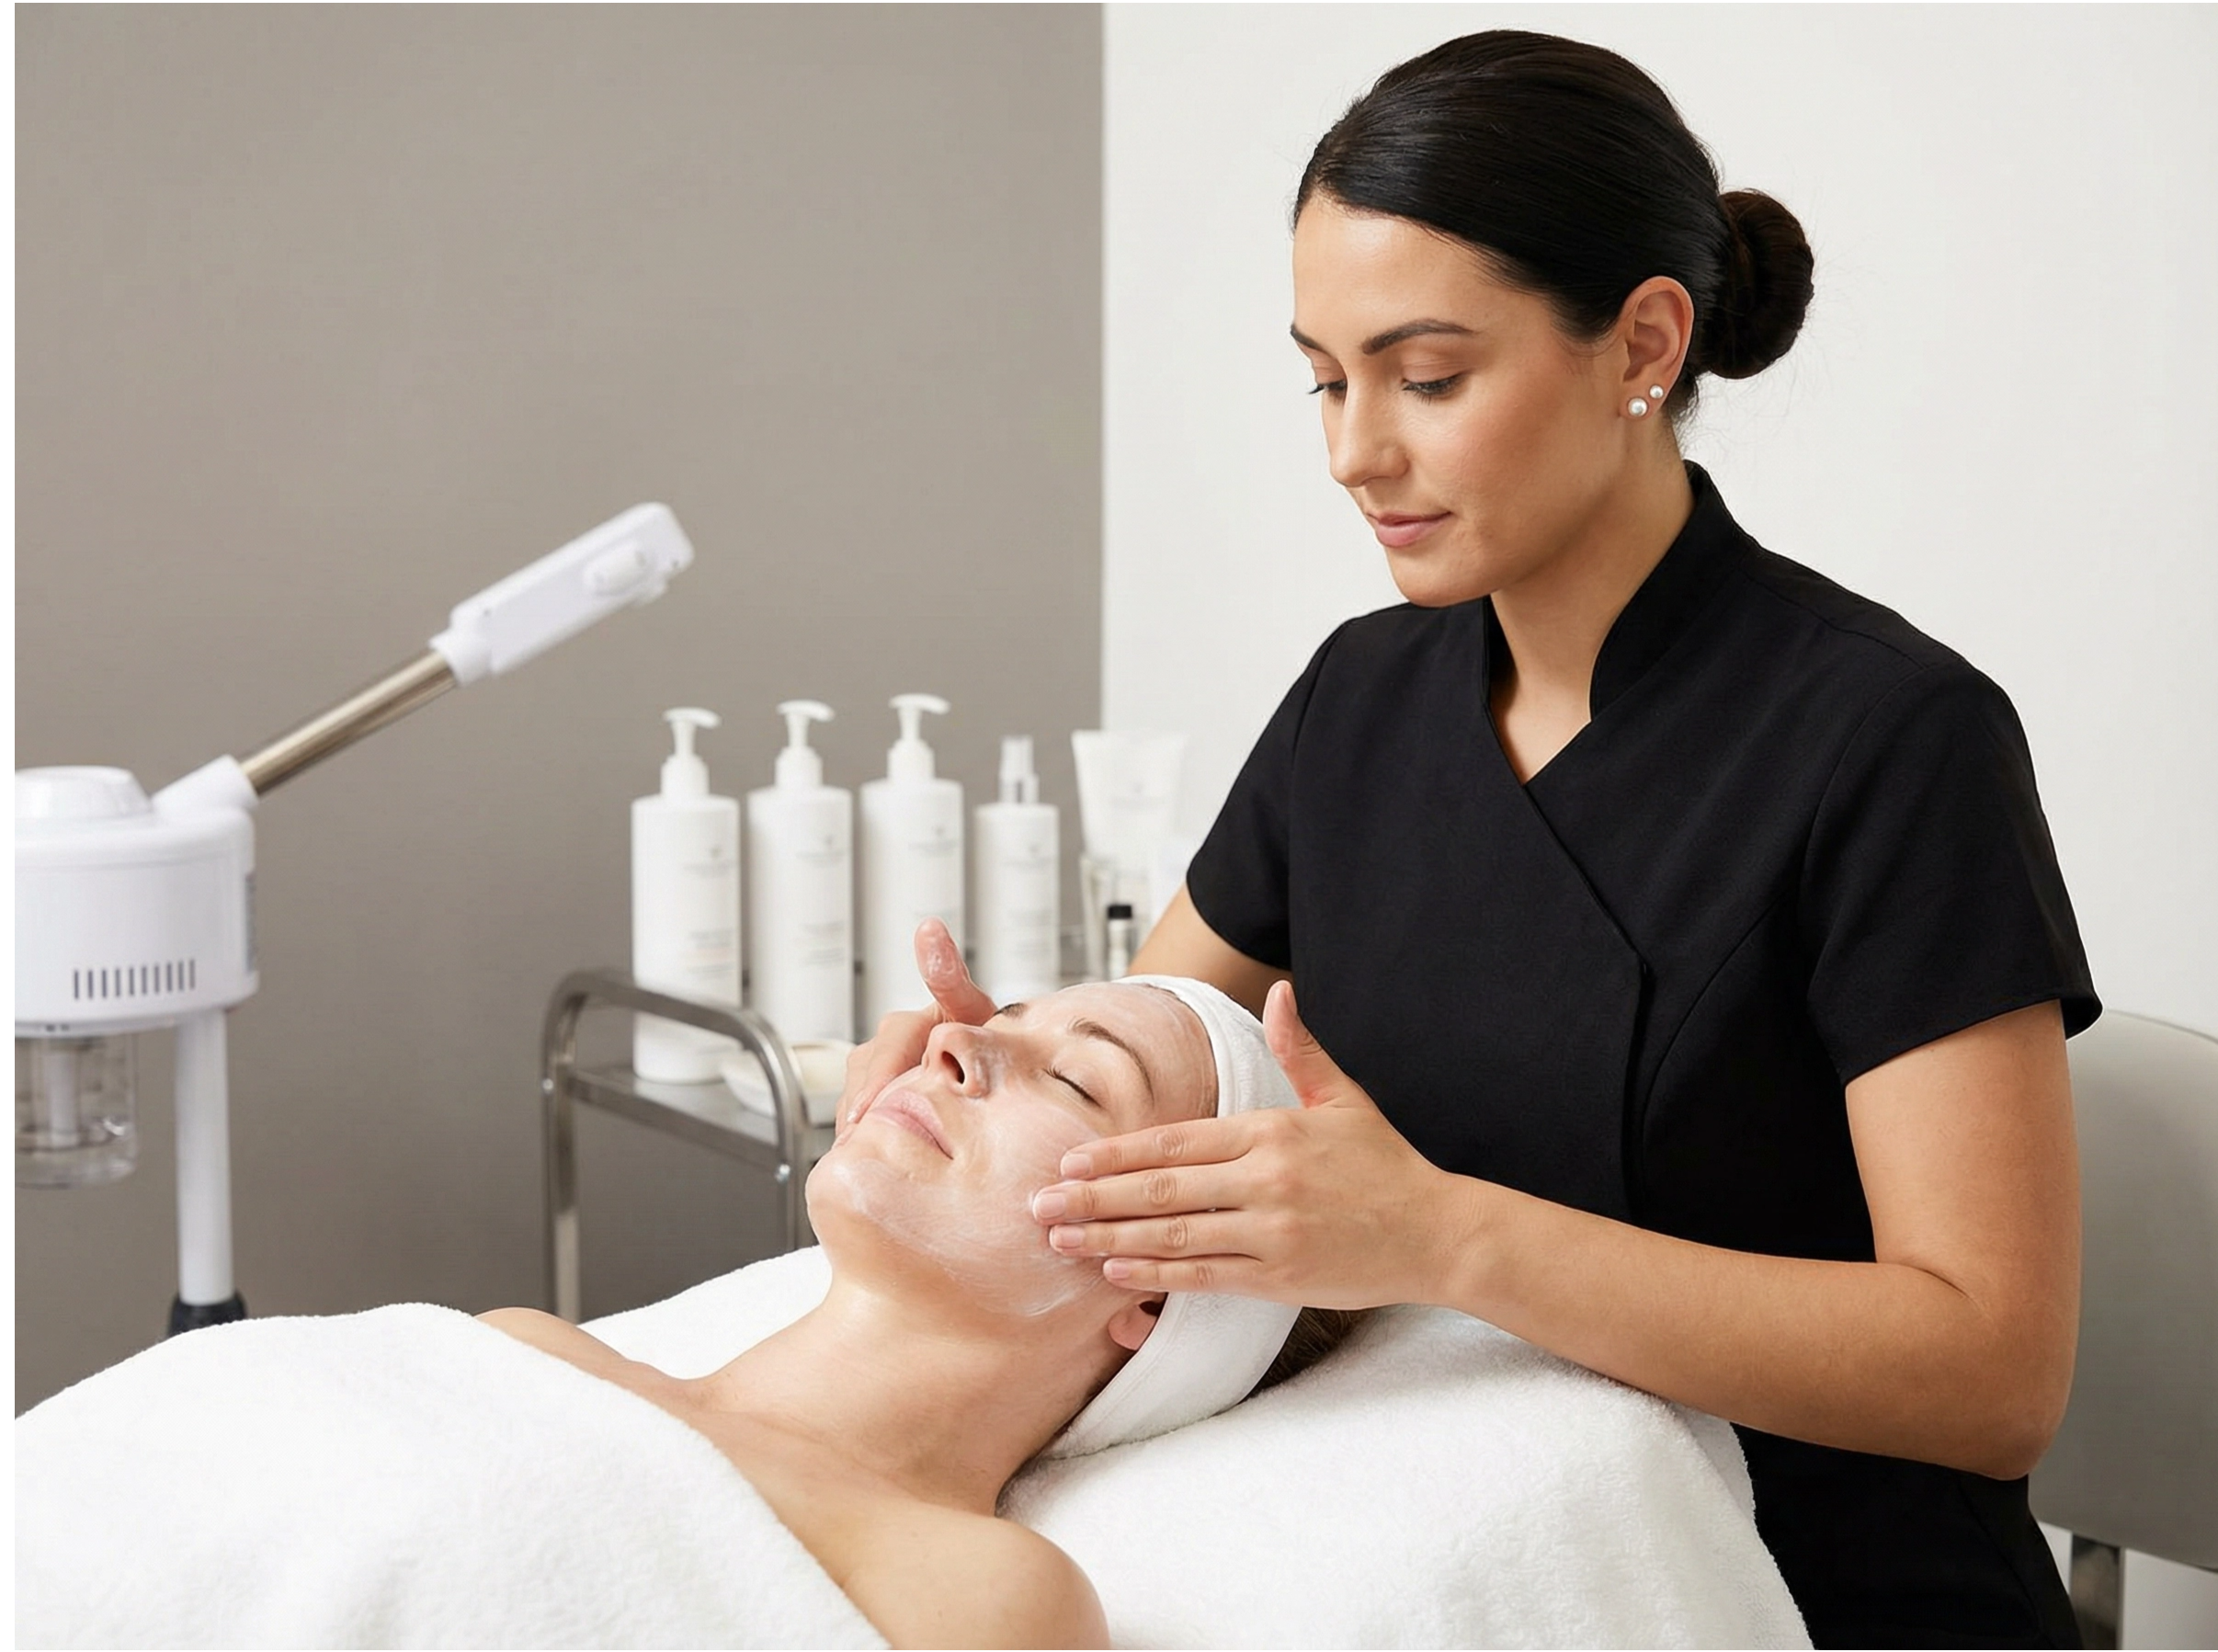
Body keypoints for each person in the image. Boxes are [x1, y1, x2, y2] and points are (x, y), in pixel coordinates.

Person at [845, 30, 2097, 1651]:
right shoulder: (1360, 701)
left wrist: (1440, 1232)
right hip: (1447, 1566)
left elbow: (1992, 1375)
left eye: (1428, 378)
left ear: (1644, 340)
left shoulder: (1887, 739)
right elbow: (1163, 1085)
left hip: (1812, 1595)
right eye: (1324, 375)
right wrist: (984, 1069)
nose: (1355, 449)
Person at [18, 972, 1344, 1651]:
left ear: (1161, 1285)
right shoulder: (521, 1350)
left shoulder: (985, 1593)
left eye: (1081, 1079)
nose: (952, 1040)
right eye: (1004, 1016)